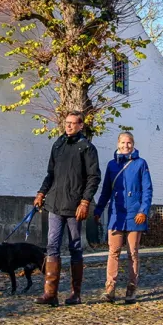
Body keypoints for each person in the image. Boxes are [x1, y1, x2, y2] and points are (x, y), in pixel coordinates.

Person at [33, 111, 101, 306]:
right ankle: (50, 293)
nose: (69, 126)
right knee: (52, 245)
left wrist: (85, 201)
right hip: (55, 204)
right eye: (67, 123)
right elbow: (50, 174)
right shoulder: (58, 144)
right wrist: (41, 192)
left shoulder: (87, 148)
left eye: (73, 123)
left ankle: (75, 293)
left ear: (81, 126)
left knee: (75, 247)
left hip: (75, 206)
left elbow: (94, 177)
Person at [93, 132, 153, 304]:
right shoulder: (112, 165)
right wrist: (98, 209)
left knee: (133, 252)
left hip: (135, 214)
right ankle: (110, 289)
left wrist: (144, 210)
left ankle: (131, 288)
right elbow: (106, 191)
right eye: (123, 142)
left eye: (129, 142)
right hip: (116, 213)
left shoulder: (141, 164)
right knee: (113, 252)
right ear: (118, 144)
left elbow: (147, 189)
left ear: (133, 144)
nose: (126, 145)